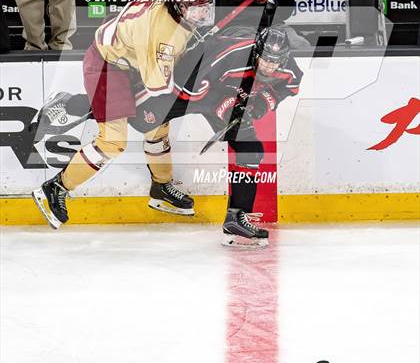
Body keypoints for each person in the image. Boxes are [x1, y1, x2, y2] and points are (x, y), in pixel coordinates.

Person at [31, 0, 276, 230]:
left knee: (158, 127)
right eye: (196, 11)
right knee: (113, 140)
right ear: (179, 7)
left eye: (206, 7)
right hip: (108, 64)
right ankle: (55, 187)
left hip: (131, 51)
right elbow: (160, 91)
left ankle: (160, 188)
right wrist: (192, 56)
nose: (203, 14)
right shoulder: (163, 40)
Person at [33, 24, 303, 247]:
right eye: (265, 59)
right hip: (190, 84)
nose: (269, 67)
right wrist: (228, 106)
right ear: (256, 51)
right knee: (135, 116)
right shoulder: (229, 56)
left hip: (224, 92)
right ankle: (69, 103)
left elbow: (287, 88)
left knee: (251, 150)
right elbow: (191, 92)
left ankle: (236, 218)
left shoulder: (287, 66)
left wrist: (261, 102)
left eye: (274, 61)